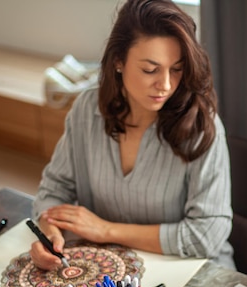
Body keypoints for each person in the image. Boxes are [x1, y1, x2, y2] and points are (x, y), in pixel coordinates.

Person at [30, 0, 233, 271]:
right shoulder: (87, 110)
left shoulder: (202, 127)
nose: (166, 84)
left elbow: (206, 236)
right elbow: (55, 190)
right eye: (150, 69)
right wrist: (50, 232)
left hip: (193, 272)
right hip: (110, 272)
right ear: (118, 62)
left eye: (176, 69)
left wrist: (106, 231)